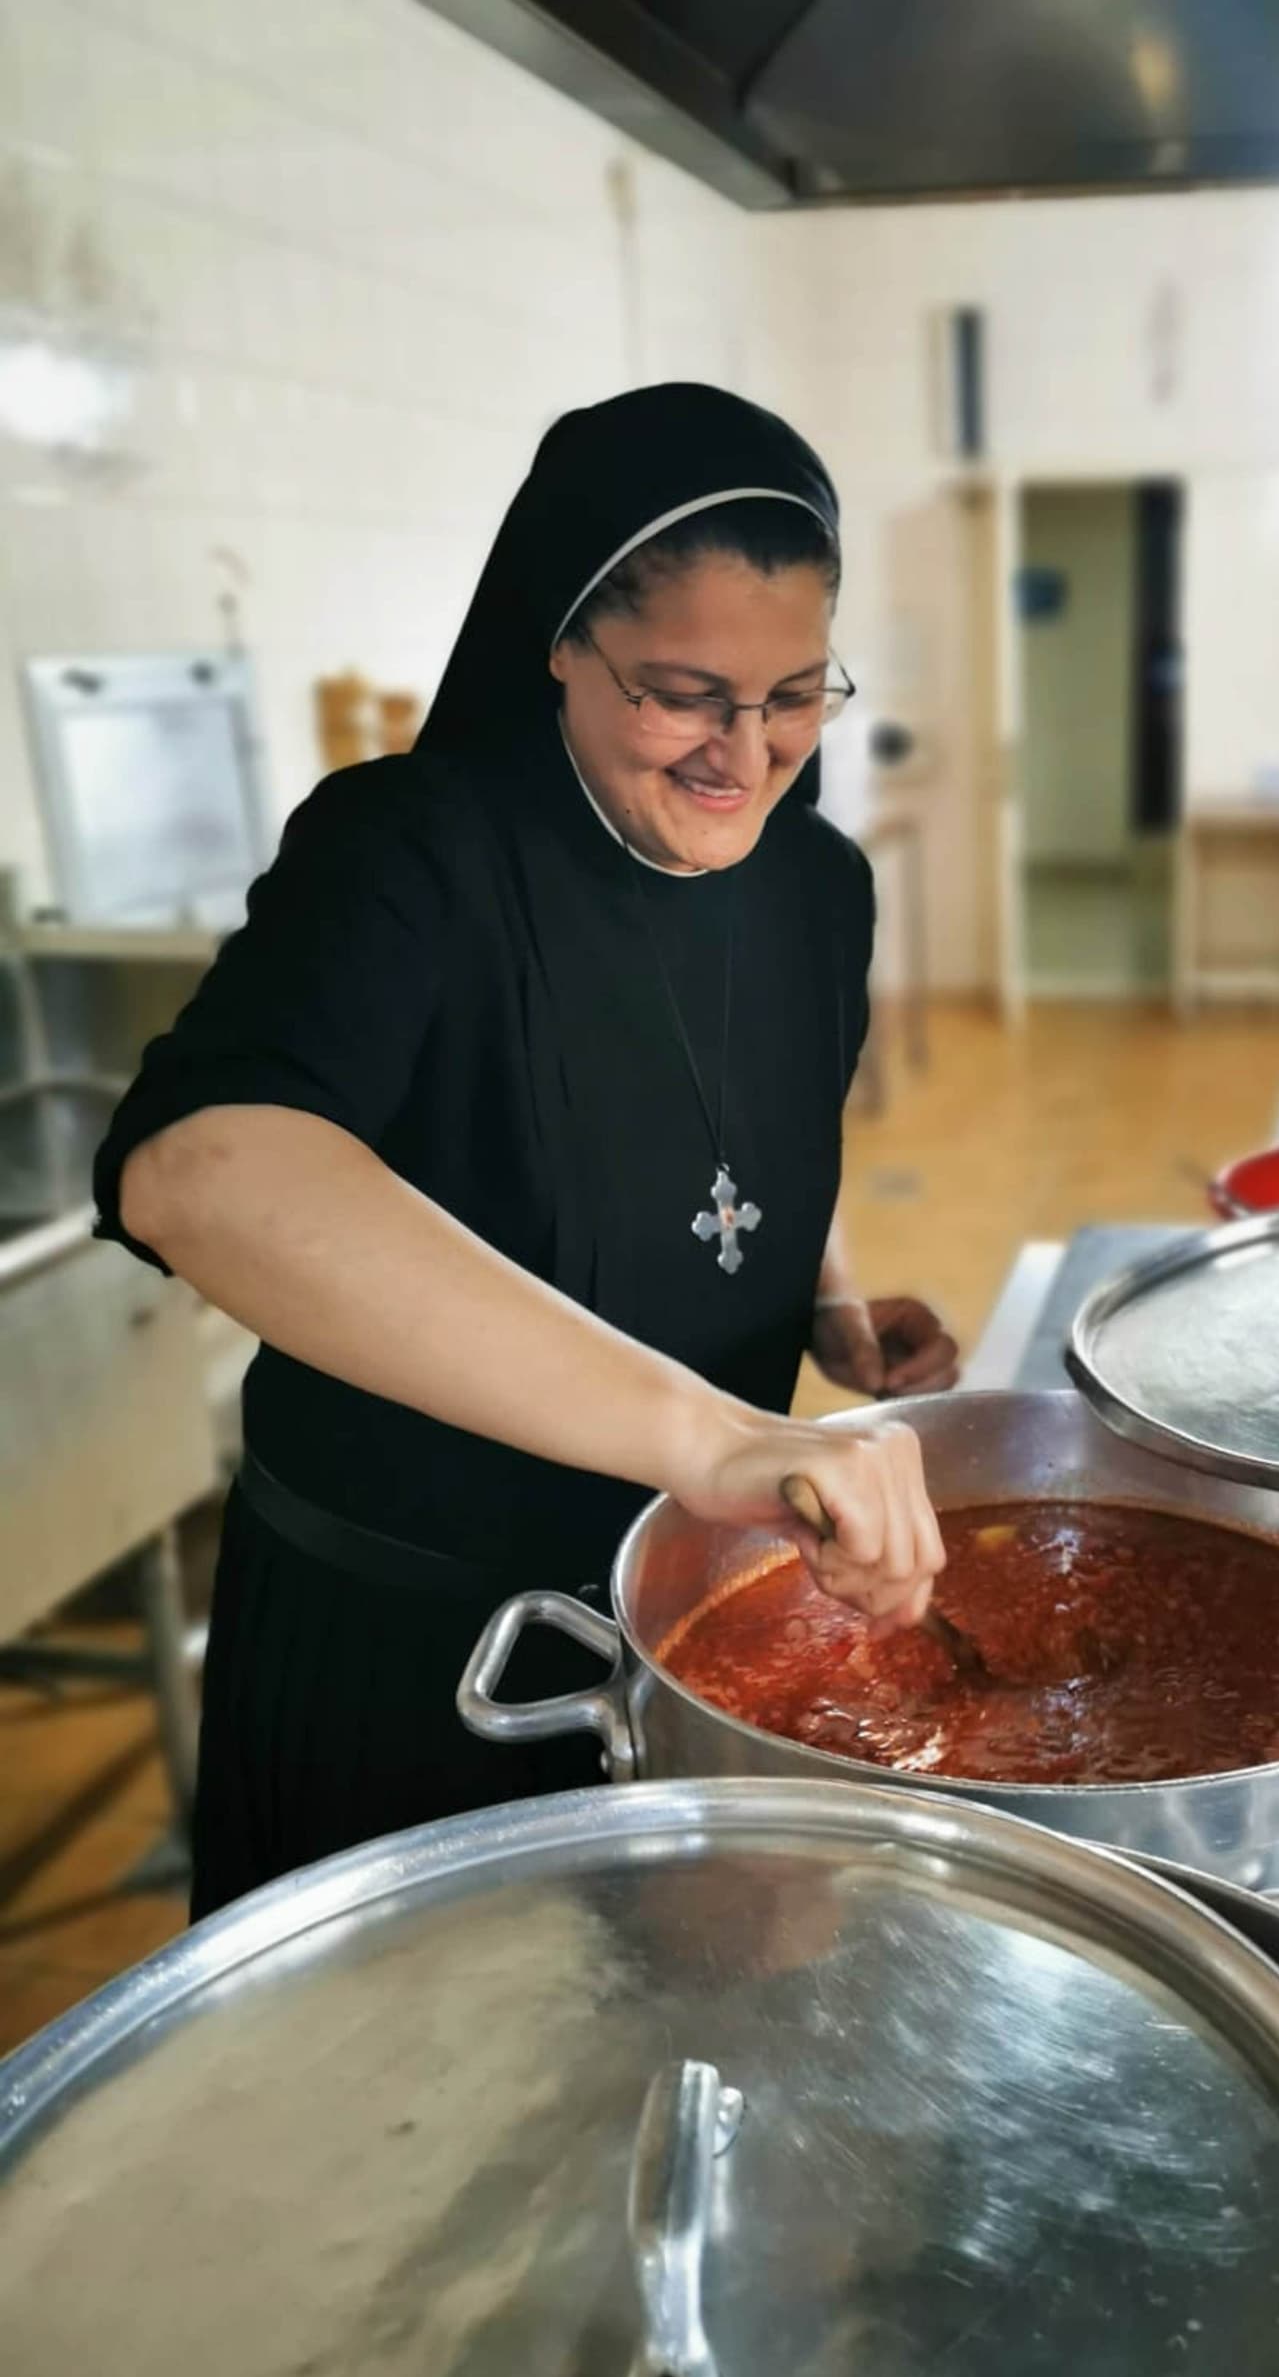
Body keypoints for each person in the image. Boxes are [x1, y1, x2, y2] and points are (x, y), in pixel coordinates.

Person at [93, 383, 957, 1916]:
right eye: (683, 693)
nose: (744, 757)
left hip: (690, 1633)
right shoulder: (409, 853)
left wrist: (822, 1296)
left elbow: (738, 1122)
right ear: (558, 641)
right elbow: (200, 1170)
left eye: (795, 695)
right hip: (411, 1660)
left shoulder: (819, 884)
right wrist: (712, 1438)